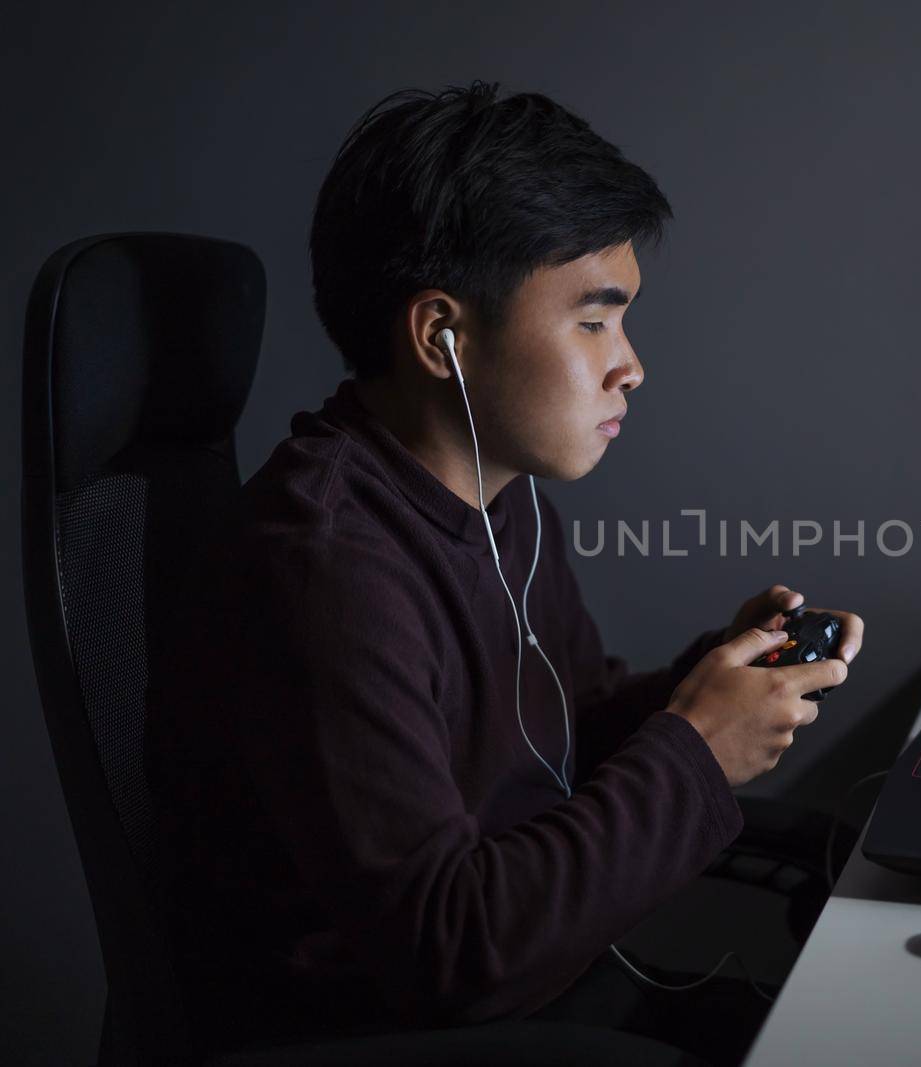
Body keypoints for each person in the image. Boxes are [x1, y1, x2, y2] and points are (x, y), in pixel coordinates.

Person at [143, 80, 864, 1067]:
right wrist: (700, 748)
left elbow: (561, 733)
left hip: (560, 998)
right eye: (594, 320)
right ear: (442, 334)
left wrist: (713, 684)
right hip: (418, 1036)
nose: (631, 366)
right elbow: (450, 951)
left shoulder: (500, 493)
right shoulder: (322, 572)